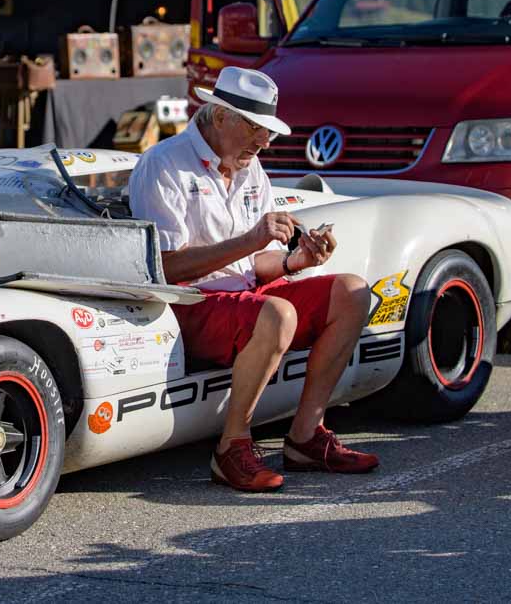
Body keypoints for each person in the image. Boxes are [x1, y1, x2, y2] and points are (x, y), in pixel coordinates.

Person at [129, 66, 378, 493]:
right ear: (219, 115)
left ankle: (305, 437)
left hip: (245, 301)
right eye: (256, 128)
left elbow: (253, 265)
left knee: (352, 290)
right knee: (278, 313)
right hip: (188, 305)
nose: (264, 141)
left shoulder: (250, 166)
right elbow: (165, 268)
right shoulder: (164, 164)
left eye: (269, 131)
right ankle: (232, 447)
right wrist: (250, 241)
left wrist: (295, 261)